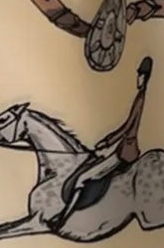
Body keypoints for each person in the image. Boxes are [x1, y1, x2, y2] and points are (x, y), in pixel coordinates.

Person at [50, 56, 153, 228]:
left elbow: (128, 126)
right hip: (122, 147)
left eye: (140, 76)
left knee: (82, 178)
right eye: (138, 76)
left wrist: (107, 141)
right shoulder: (140, 97)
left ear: (145, 78)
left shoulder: (140, 99)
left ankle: (62, 218)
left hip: (126, 151)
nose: (138, 79)